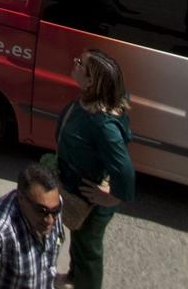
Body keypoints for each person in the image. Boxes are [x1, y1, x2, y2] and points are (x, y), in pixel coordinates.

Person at [53, 48, 135, 289]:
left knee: (87, 247)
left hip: (91, 201)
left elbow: (125, 171)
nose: (75, 63)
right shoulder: (91, 103)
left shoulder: (103, 124)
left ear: (91, 81)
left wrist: (110, 197)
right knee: (78, 239)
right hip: (75, 189)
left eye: (80, 64)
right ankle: (73, 278)